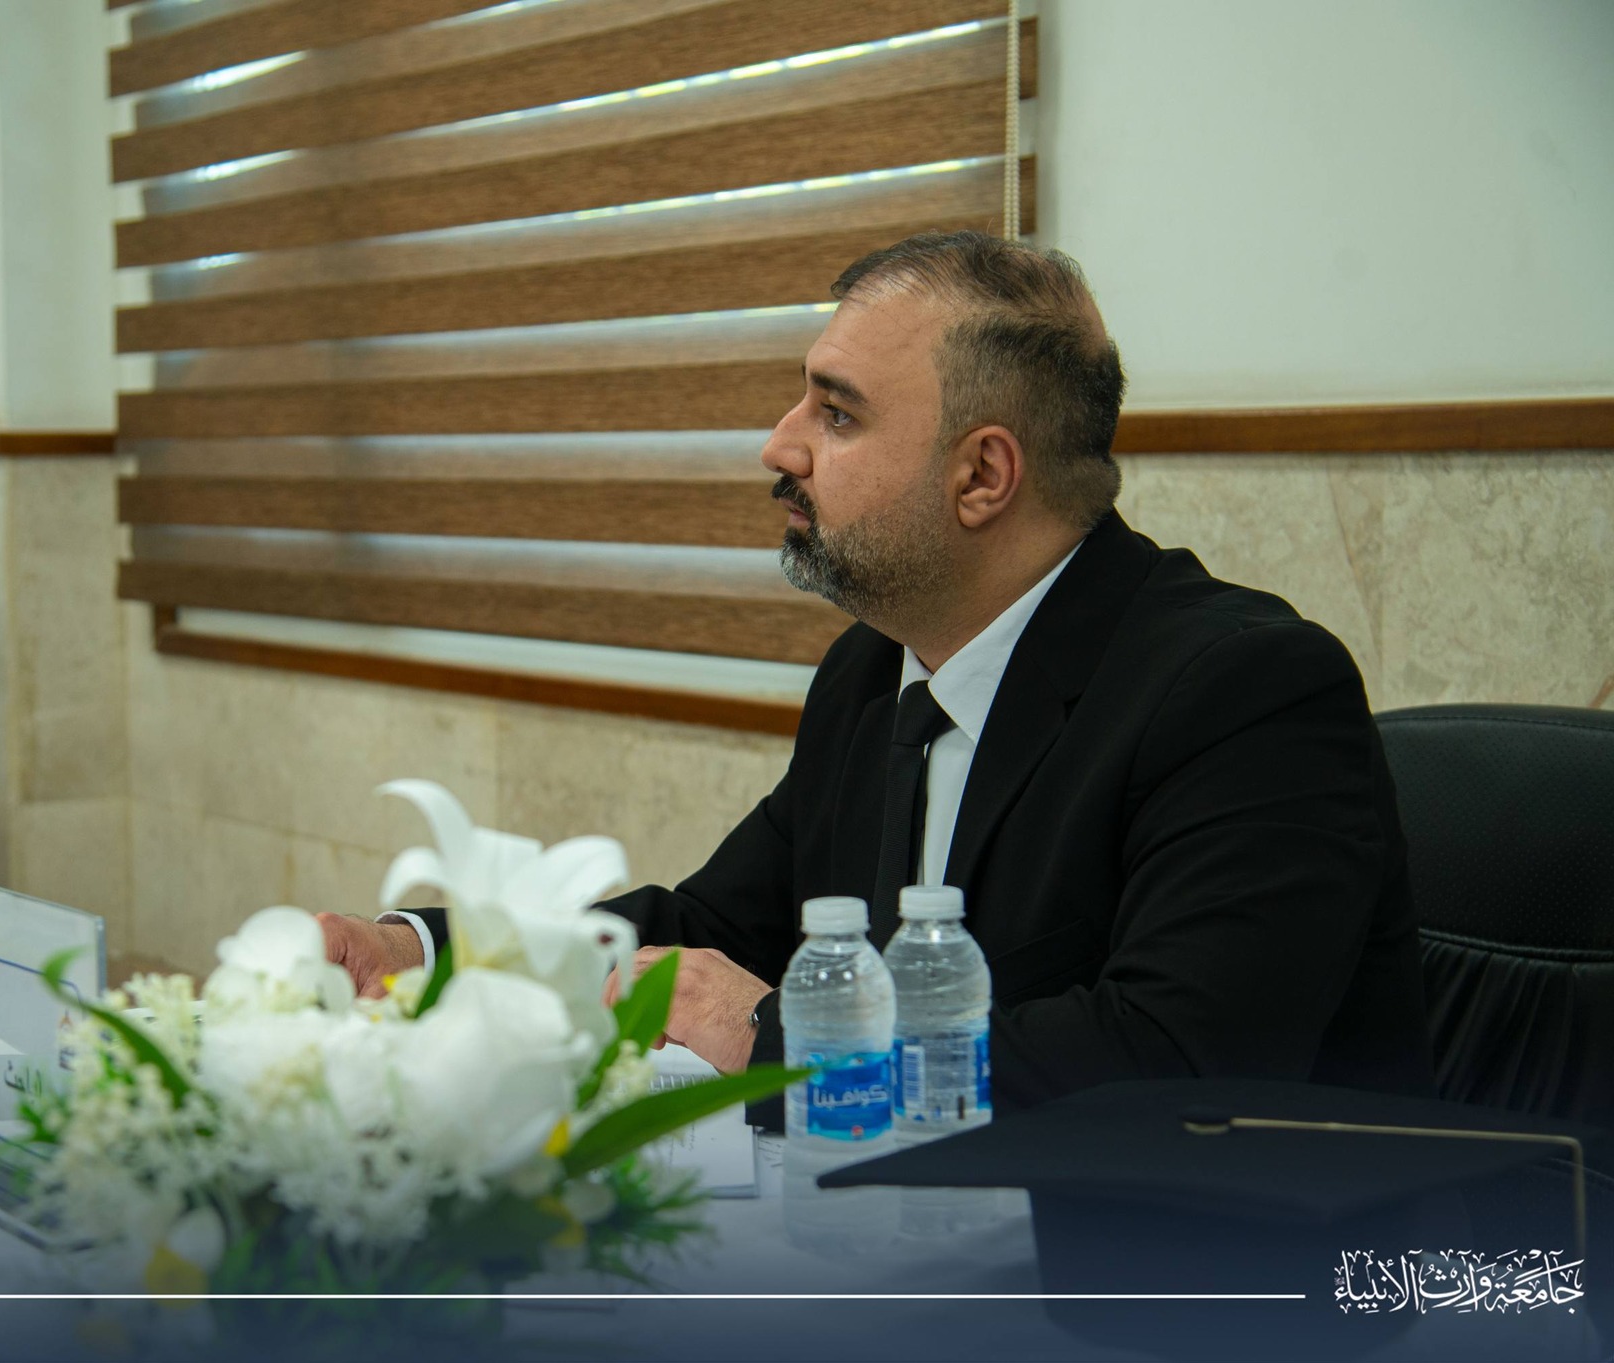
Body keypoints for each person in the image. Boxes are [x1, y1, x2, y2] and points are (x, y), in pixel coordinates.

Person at [320, 230, 1433, 1110]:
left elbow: (1171, 1065)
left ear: (982, 475)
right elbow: (711, 928)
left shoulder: (1244, 694)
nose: (779, 444)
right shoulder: (873, 671)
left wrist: (773, 1035)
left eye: (836, 413)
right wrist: (417, 951)